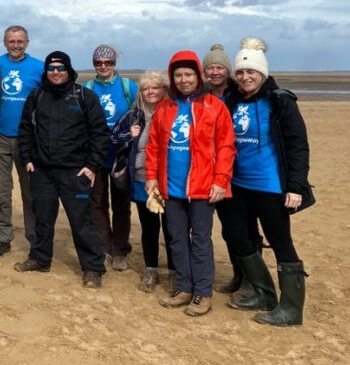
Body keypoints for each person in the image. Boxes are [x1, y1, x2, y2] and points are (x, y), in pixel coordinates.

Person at [224, 37, 313, 326]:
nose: (245, 77)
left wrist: (296, 187)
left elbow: (298, 145)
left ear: (262, 73)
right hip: (238, 183)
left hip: (270, 185)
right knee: (236, 235)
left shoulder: (280, 100)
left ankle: (291, 308)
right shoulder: (233, 100)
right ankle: (263, 293)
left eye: (251, 72)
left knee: (280, 242)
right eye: (240, 72)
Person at [145, 51, 236, 317]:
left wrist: (221, 181)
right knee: (176, 239)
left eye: (188, 74)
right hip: (171, 188)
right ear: (172, 78)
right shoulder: (166, 106)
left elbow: (226, 147)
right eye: (178, 75)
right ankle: (184, 287)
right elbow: (153, 147)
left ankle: (203, 292)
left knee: (200, 241)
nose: (184, 80)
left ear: (198, 76)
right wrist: (152, 177)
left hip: (203, 187)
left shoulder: (215, 106)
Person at [15, 51, 109, 287]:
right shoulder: (36, 96)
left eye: (60, 68)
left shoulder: (83, 97)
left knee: (81, 222)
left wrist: (91, 166)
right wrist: (27, 158)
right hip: (42, 171)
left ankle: (92, 267)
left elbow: (99, 133)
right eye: (51, 68)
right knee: (43, 219)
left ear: (68, 70)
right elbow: (25, 130)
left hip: (75, 172)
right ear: (46, 72)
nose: (56, 72)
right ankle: (40, 258)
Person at [202, 43, 264, 294]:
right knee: (230, 228)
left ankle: (253, 280)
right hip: (212, 171)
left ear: (227, 70)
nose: (215, 72)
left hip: (240, 170)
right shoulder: (202, 95)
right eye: (210, 67)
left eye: (220, 67)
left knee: (248, 227)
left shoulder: (238, 94)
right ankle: (239, 275)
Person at [110, 71, 173, 292]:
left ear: (164, 89)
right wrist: (129, 136)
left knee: (172, 227)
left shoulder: (175, 111)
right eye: (146, 89)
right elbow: (114, 138)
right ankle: (151, 270)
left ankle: (174, 272)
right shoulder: (134, 114)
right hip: (140, 179)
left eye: (155, 87)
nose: (150, 92)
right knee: (149, 227)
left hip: (168, 179)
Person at [0, 25, 42, 257]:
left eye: (20, 41)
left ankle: (34, 236)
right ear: (5, 42)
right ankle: (3, 236)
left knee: (31, 192)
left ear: (27, 43)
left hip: (28, 140)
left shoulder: (39, 68)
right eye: (12, 41)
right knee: (1, 191)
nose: (16, 45)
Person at [84, 44, 138, 271]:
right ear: (94, 64)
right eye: (99, 62)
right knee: (97, 203)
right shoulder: (87, 87)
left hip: (121, 157)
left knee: (121, 205)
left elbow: (141, 114)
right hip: (95, 156)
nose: (103, 66)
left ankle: (120, 250)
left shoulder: (128, 87)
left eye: (108, 62)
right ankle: (104, 246)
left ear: (114, 64)